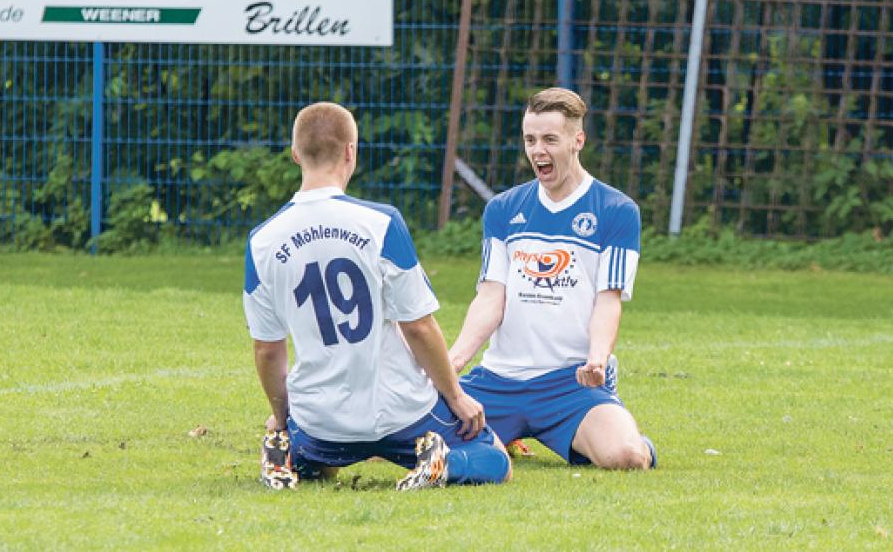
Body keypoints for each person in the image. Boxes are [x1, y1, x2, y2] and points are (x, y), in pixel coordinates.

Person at [243, 102, 511, 491]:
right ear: (351, 151)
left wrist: (283, 415)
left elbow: (268, 350)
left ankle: (288, 454)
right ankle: (443, 463)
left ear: (295, 153)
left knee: (317, 456)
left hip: (321, 420)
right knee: (497, 459)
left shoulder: (262, 241)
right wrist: (456, 396)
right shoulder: (381, 224)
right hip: (399, 413)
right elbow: (418, 327)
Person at [449, 87, 656, 471]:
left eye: (549, 139)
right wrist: (453, 361)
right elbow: (492, 296)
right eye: (530, 140)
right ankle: (501, 433)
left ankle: (619, 434)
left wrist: (596, 360)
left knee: (627, 458)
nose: (537, 150)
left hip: (569, 385)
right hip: (499, 381)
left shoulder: (616, 210)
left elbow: (608, 301)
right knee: (408, 436)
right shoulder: (503, 209)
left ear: (578, 140)